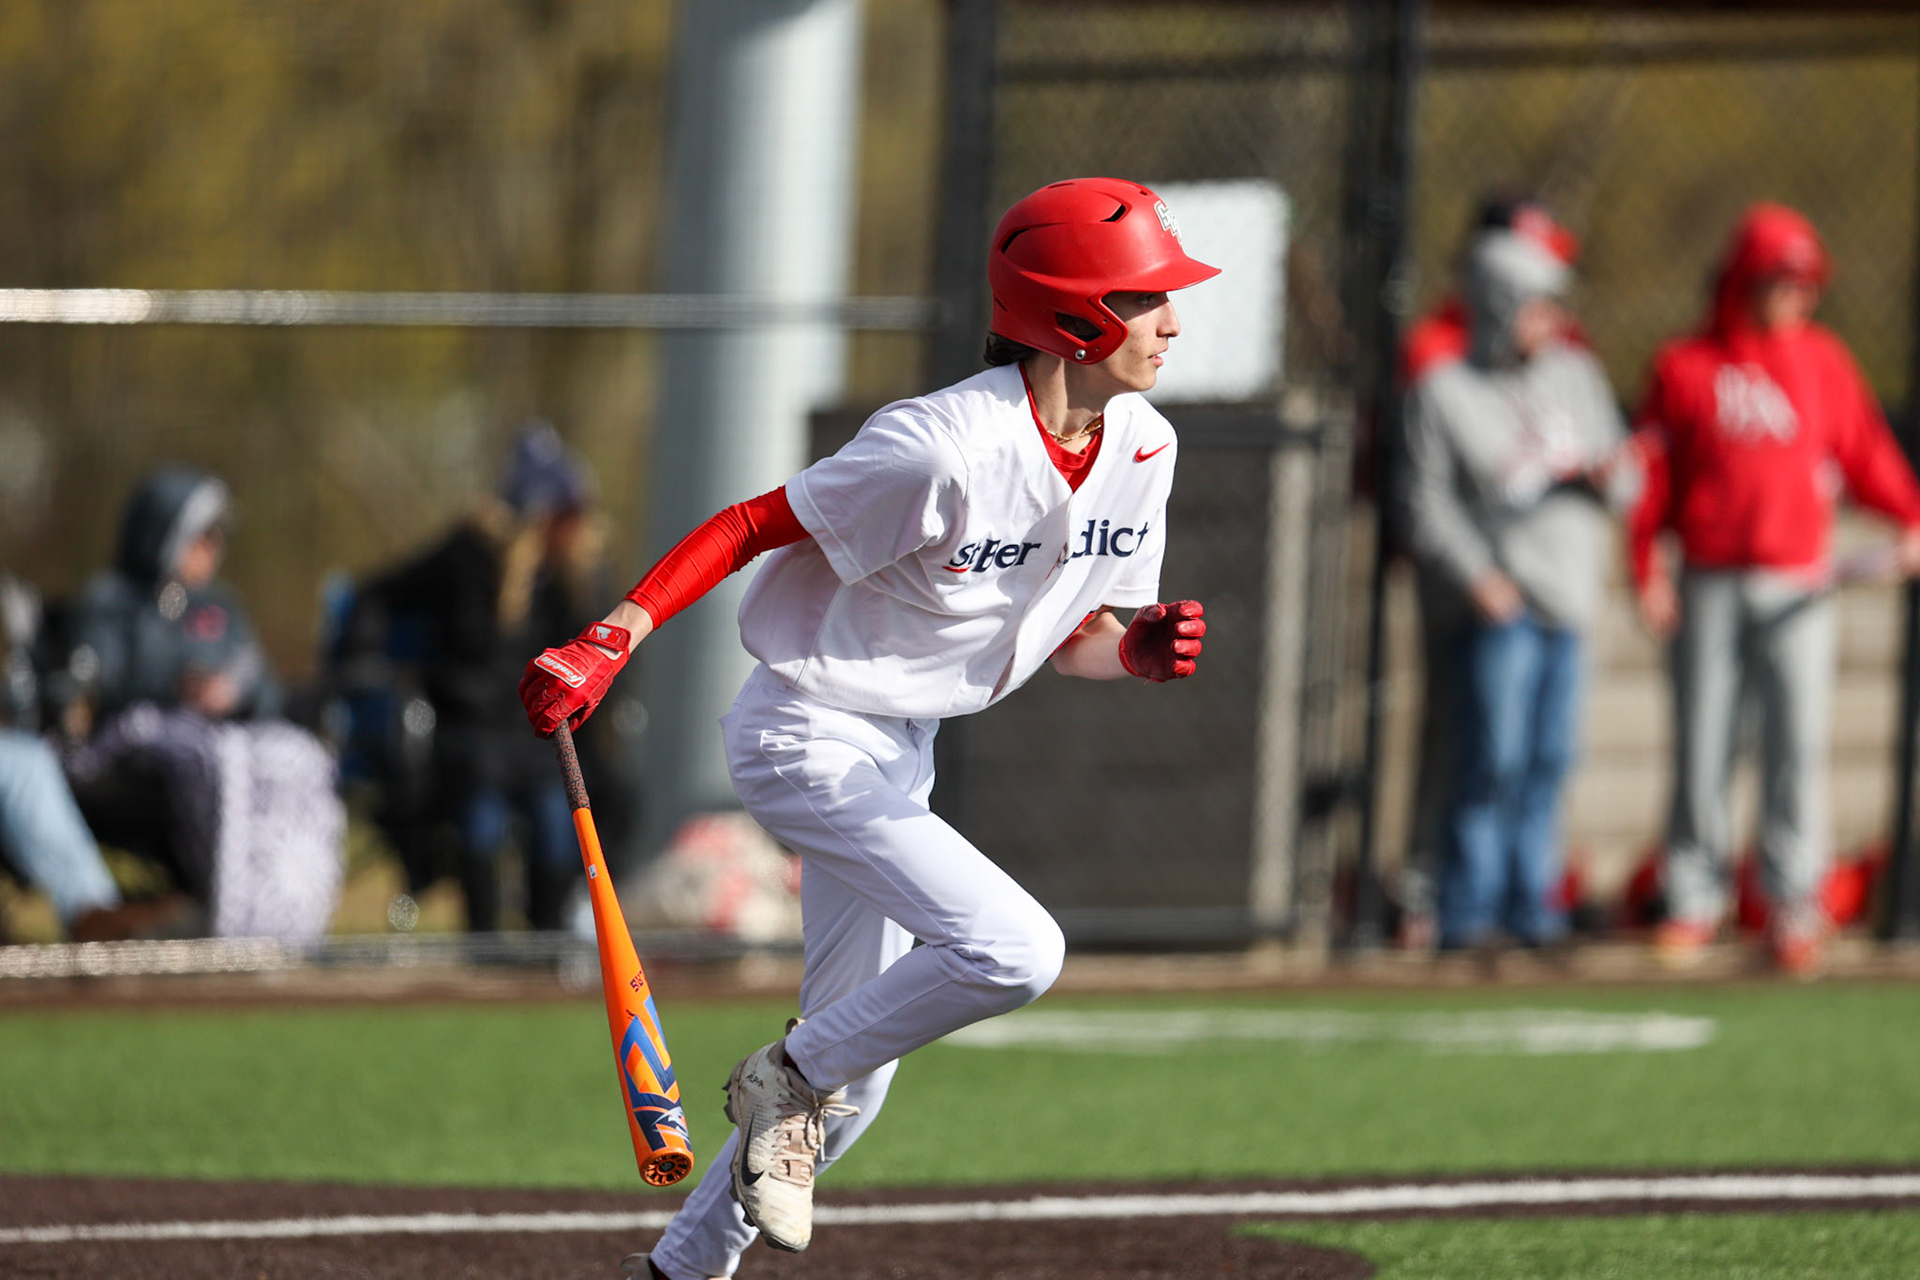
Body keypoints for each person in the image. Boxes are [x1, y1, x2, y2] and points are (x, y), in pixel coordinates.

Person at [520, 177, 1212, 1279]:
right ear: (1069, 315)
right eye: (1146, 296)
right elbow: (753, 522)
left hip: (904, 747)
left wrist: (1128, 649)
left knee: (860, 1080)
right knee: (1015, 947)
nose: (1173, 319)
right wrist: (613, 634)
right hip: (807, 729)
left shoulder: (1144, 447)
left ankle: (679, 1268)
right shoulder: (940, 447)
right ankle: (784, 1074)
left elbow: (1072, 625)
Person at [1629, 203, 1920, 975]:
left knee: (1798, 744)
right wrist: (1642, 567)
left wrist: (1910, 517)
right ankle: (1692, 898)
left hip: (1801, 579)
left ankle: (1794, 904)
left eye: (1804, 283)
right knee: (1704, 744)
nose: (1795, 297)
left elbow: (1866, 452)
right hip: (1710, 579)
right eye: (1778, 281)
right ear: (1744, 280)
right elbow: (1650, 479)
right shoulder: (1685, 364)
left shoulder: (1823, 362)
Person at [1403, 215, 1633, 952]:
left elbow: (1626, 477)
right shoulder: (1444, 392)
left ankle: (1535, 911)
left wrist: (1611, 476)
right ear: (1500, 305)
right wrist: (1480, 578)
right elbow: (1425, 504)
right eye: (1536, 305)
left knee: (1549, 762)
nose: (1553, 321)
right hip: (1503, 607)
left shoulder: (1578, 377)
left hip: (1570, 600)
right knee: (1490, 760)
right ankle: (1468, 913)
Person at [346, 422, 612, 932]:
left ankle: (545, 949)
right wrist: (370, 667)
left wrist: (586, 585)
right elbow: (378, 596)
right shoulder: (466, 557)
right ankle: (485, 950)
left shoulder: (565, 580)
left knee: (558, 819)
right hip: (467, 732)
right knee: (482, 816)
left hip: (534, 737)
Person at [61, 466, 345, 940]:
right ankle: (231, 913)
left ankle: (285, 916)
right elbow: (91, 684)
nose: (213, 548)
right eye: (202, 536)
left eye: (217, 537)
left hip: (234, 733)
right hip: (141, 748)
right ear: (166, 535)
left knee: (299, 757)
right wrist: (173, 687)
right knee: (220, 762)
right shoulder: (111, 602)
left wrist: (234, 694)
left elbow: (263, 684)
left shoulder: (221, 606)